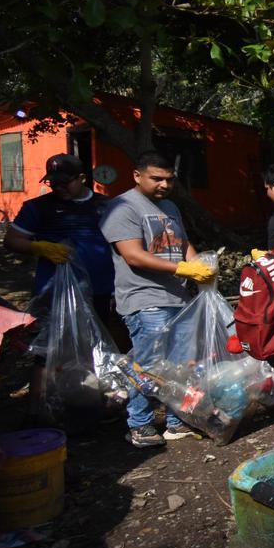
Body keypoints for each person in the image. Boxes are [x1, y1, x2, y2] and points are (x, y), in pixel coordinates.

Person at [101, 150, 216, 448]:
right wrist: (182, 267)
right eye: (157, 179)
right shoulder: (122, 207)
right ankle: (140, 424)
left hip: (176, 296)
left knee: (178, 365)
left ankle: (177, 423)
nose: (164, 185)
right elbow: (133, 254)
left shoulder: (169, 206)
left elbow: (182, 242)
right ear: (137, 176)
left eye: (169, 180)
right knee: (149, 365)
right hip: (144, 298)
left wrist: (198, 266)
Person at [5, 154, 121, 419]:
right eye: (53, 183)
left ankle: (89, 402)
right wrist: (38, 246)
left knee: (96, 345)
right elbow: (12, 240)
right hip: (54, 293)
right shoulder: (38, 207)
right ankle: (39, 409)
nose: (58, 189)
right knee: (47, 351)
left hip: (100, 289)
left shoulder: (107, 206)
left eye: (65, 183)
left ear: (82, 178)